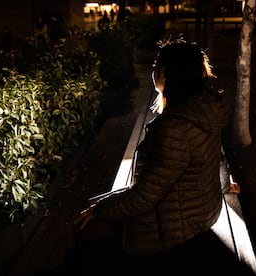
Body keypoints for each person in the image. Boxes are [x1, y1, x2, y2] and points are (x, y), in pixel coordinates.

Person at [73, 38, 246, 275]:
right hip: (201, 211)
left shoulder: (175, 127)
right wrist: (224, 186)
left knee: (85, 221)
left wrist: (100, 210)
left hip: (174, 228)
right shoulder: (203, 110)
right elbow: (217, 158)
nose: (153, 69)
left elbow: (145, 197)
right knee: (94, 207)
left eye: (156, 64)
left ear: (165, 72)